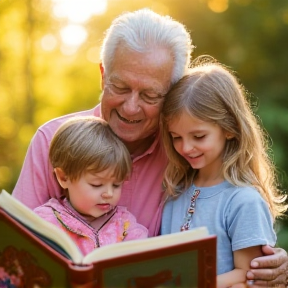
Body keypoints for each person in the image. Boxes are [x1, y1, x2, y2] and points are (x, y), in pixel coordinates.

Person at [12, 8, 288, 286]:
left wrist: (267, 265)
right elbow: (15, 250)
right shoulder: (51, 140)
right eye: (119, 87)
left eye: (150, 95)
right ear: (102, 75)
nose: (131, 106)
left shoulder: (181, 151)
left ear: (171, 94)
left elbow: (230, 217)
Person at [160, 57, 288, 288]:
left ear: (229, 128)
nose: (186, 147)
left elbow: (249, 275)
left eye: (198, 136)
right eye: (176, 137)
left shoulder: (243, 200)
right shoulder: (174, 190)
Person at [33, 116, 148, 256]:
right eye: (97, 184)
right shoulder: (44, 221)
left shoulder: (125, 225)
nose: (109, 193)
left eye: (117, 185)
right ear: (63, 178)